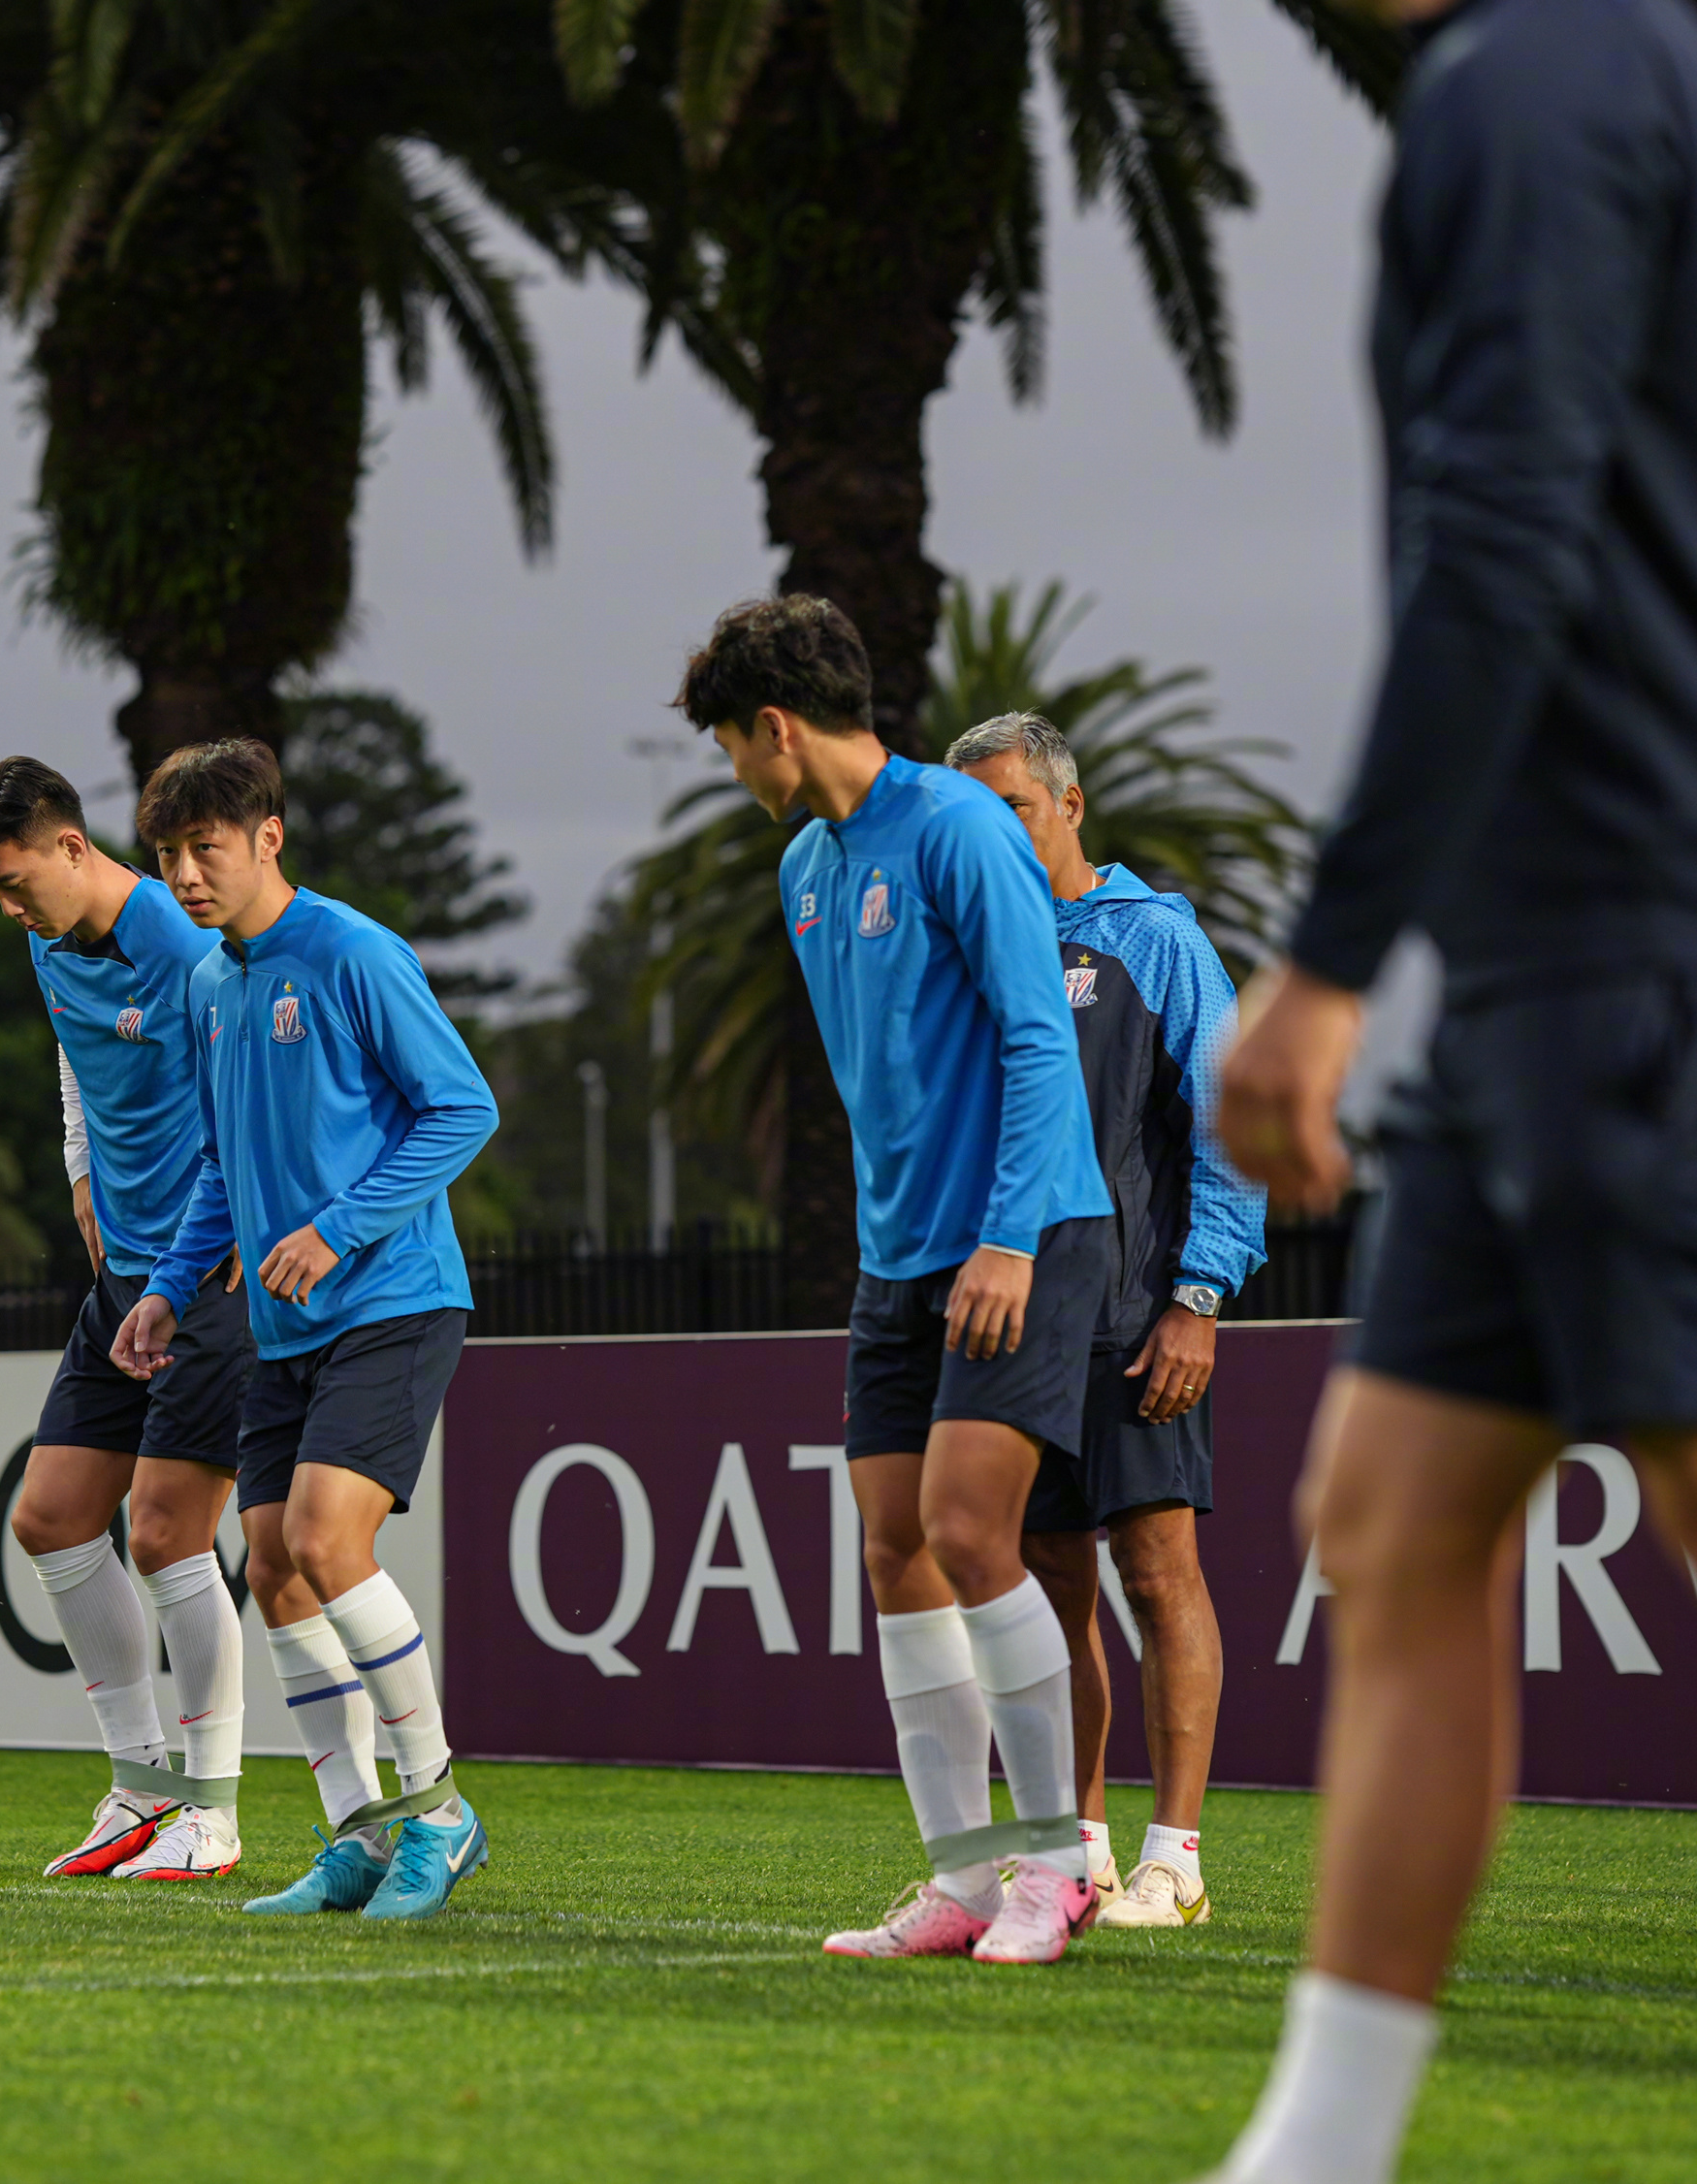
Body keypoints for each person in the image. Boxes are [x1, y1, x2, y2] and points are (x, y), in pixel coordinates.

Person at [1207, 1, 1697, 2175]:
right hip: (1536, 988)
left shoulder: (1542, 78)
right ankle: (1315, 2155)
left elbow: (1501, 536)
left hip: (1631, 956)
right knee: (1390, 1531)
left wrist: (1318, 977)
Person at [678, 596, 1116, 1966]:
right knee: (896, 1546)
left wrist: (1004, 1235)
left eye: (730, 751)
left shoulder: (962, 827)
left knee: (978, 1532)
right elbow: (885, 1086)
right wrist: (906, 1244)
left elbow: (1041, 1041)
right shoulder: (806, 867)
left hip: (1023, 1235)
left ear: (776, 727)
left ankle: (1055, 1869)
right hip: (900, 1260)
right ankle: (966, 1876)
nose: (736, 776)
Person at [112, 737, 499, 1920]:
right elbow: (226, 1165)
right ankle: (360, 1836)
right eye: (168, 854)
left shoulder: (353, 950)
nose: (184, 875)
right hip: (282, 1325)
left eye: (205, 848)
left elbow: (463, 1107)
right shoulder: (210, 983)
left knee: (330, 1545)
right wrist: (172, 1283)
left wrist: (339, 1226)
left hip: (394, 1297)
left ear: (269, 836)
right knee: (274, 1568)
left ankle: (438, 1809)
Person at [948, 711, 1267, 1932]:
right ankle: (1071, 1850)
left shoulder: (1154, 941)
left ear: (1070, 805)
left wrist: (1199, 1296)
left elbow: (1231, 1122)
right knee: (1047, 1585)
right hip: (1018, 1319)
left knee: (1156, 1566)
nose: (995, 836)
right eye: (974, 818)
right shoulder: (975, 950)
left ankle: (1174, 1859)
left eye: (1014, 809)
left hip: (1136, 1314)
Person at [0, 755, 268, 1882]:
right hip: (121, 1276)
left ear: (75, 847)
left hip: (210, 1278)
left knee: (169, 1531)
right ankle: (138, 1786)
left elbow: (243, 1107)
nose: (10, 907)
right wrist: (78, 1168)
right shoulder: (46, 939)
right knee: (50, 1516)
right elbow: (79, 1069)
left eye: (18, 880)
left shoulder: (184, 946)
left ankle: (211, 1809)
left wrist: (203, 1257)